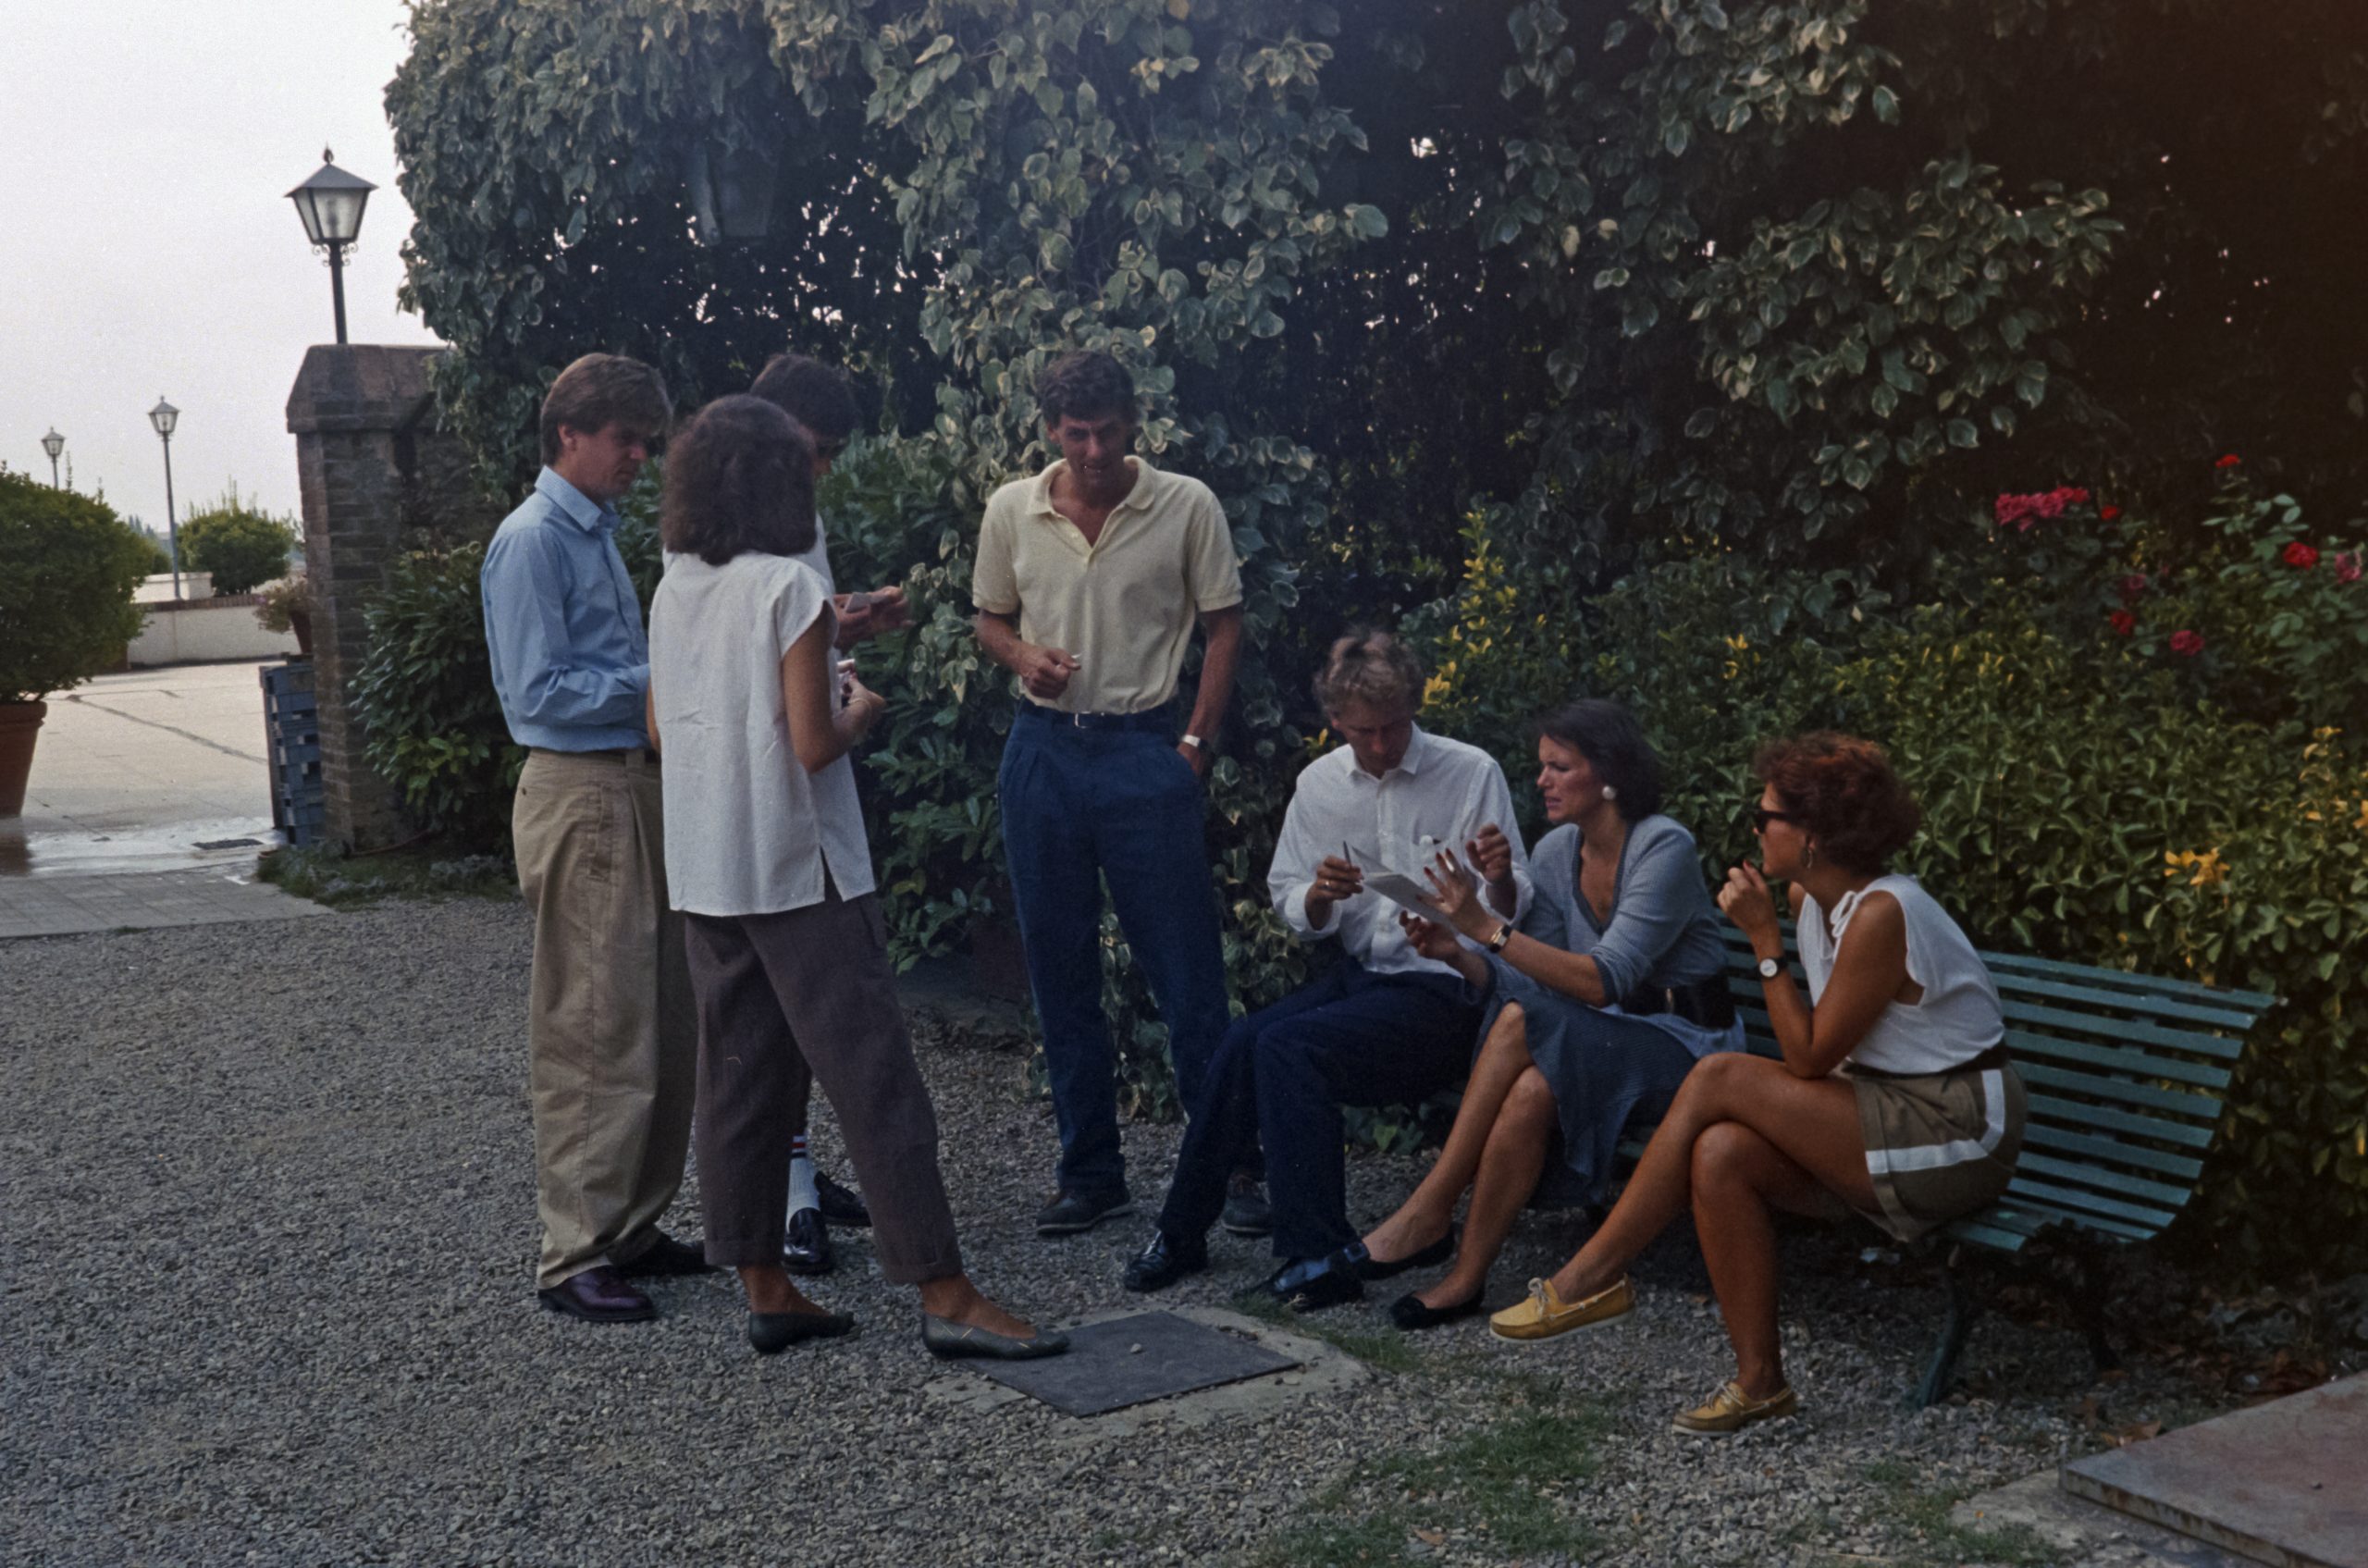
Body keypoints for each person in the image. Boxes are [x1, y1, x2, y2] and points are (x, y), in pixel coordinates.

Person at [647, 393, 1066, 1360]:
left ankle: (764, 1283)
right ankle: (944, 1291)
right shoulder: (790, 588)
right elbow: (812, 744)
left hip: (709, 866)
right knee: (876, 1080)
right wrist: (862, 709)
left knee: (738, 1079)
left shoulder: (675, 587)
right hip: (803, 869)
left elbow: (664, 732)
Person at [1486, 734, 2023, 1437]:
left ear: (1813, 836)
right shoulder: (1813, 897)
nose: (1755, 829)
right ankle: (1760, 1382)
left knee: (1719, 1073)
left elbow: (1807, 1057)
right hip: (1880, 1106)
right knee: (1721, 1153)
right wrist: (1776, 928)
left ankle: (1591, 1277)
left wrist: (1765, 942)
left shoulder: (1885, 913)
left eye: (1766, 817)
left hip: (1955, 1127)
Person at [1123, 629, 1532, 1309]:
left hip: (1451, 987)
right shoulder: (1320, 784)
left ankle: (1318, 1254)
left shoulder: (1469, 771)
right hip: (1367, 977)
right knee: (1243, 1039)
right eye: (1364, 731)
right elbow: (1290, 897)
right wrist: (1319, 896)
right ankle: (1181, 1230)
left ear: (1414, 706)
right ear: (1337, 721)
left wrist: (1496, 881)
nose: (1382, 745)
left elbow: (1513, 910)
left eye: (1393, 726)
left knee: (1290, 1047)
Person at [1358, 699, 1743, 1331]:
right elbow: (1535, 980)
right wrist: (1459, 953)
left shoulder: (1663, 845)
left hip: (1691, 1047)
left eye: (1560, 767)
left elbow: (1602, 979)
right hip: (1609, 1037)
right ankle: (1466, 1277)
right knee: (1531, 1088)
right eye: (1542, 766)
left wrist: (1486, 926)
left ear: (1609, 773)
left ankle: (1431, 1205)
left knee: (1518, 1022)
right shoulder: (1559, 850)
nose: (1541, 781)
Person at [971, 349, 1244, 1236]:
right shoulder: (1013, 509)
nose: (1093, 451)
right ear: (1052, 429)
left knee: (1186, 970)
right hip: (1043, 752)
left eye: (1108, 431)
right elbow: (989, 617)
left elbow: (1225, 625)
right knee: (1059, 970)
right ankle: (1091, 1173)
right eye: (1076, 433)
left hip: (1143, 750)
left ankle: (1234, 1166)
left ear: (1133, 422)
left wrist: (1194, 744)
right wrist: (1023, 656)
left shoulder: (1186, 504)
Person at [481, 352, 709, 1324]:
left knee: (657, 1013)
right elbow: (536, 693)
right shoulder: (533, 541)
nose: (640, 457)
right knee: (592, 1022)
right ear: (568, 433)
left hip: (630, 783)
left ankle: (630, 1226)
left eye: (647, 441)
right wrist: (666, 677)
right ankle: (573, 1249)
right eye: (625, 439)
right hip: (583, 790)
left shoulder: (593, 532)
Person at [743, 352, 911, 1276]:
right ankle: (791, 1198)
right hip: (775, 792)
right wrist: (856, 714)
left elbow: (791, 629)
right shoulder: (722, 530)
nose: (821, 469)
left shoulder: (793, 520)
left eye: (832, 454)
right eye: (814, 448)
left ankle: (796, 1177)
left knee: (798, 1014)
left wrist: (851, 619)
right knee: (803, 1017)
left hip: (800, 796)